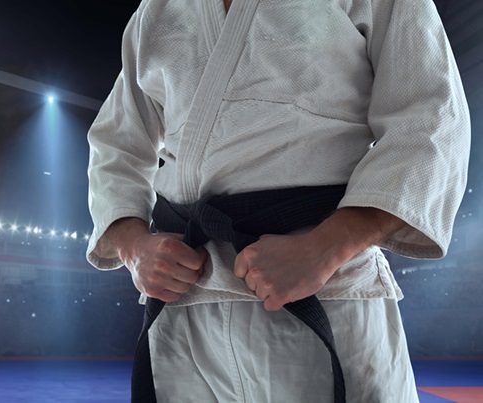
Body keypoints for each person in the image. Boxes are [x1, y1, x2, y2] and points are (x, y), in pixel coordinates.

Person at [86, 0, 471, 401]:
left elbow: (431, 120)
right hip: (186, 300)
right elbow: (116, 144)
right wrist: (134, 247)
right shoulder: (157, 10)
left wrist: (326, 247)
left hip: (320, 287)